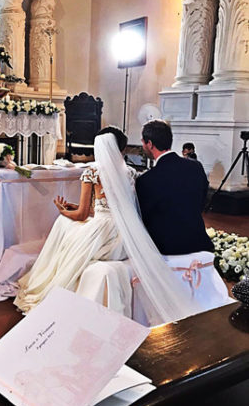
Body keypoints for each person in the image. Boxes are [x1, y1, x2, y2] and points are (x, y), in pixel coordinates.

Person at [14, 126, 133, 313]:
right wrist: (75, 208)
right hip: (124, 234)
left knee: (63, 224)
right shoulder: (130, 173)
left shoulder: (93, 172)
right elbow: (108, 208)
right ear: (122, 148)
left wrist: (63, 211)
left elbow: (82, 215)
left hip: (102, 233)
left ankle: (50, 274)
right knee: (69, 224)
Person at [136, 120, 213, 255]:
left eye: (143, 142)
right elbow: (203, 201)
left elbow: (145, 220)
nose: (143, 145)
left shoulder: (146, 180)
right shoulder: (196, 167)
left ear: (150, 143)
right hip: (199, 243)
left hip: (166, 250)